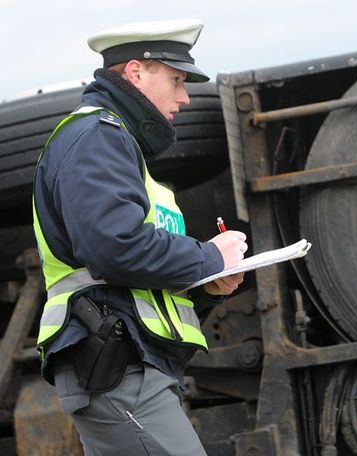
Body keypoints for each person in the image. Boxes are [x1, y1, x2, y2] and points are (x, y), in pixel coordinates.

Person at [32, 19, 246, 455]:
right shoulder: (97, 137)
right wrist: (209, 258)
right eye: (176, 79)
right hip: (117, 370)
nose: (185, 97)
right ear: (135, 73)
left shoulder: (113, 144)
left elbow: (136, 285)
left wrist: (207, 288)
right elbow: (115, 250)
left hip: (129, 367)